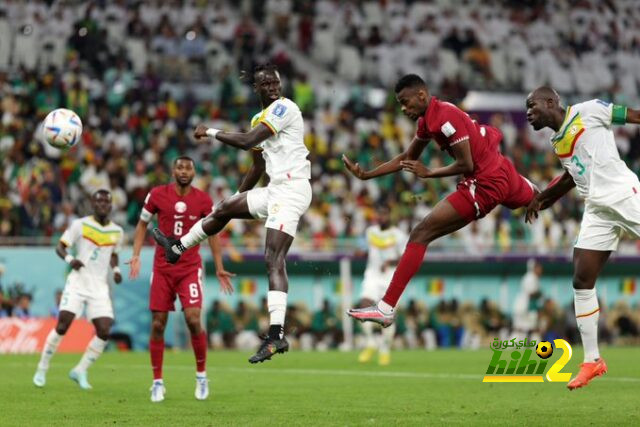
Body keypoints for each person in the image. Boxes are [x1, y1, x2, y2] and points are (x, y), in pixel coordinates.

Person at [343, 74, 537, 327]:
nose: (403, 108)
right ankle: (562, 184)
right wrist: (367, 174)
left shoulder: (444, 117)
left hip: (484, 182)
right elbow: (407, 157)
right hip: (501, 170)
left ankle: (386, 308)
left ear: (421, 95)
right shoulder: (428, 119)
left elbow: (466, 163)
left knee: (420, 234)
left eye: (405, 102)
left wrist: (429, 173)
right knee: (539, 198)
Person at [152, 63, 312, 364]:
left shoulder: (284, 108)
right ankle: (177, 247)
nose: (273, 88)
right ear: (256, 88)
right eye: (266, 84)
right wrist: (239, 198)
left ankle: (277, 335)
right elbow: (258, 166)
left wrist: (211, 131)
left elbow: (249, 140)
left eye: (275, 82)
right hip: (275, 189)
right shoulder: (258, 117)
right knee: (224, 207)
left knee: (272, 258)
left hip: (293, 189)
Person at [524, 86, 640, 390]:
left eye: (532, 106)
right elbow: (571, 176)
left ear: (551, 102)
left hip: (622, 194)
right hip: (597, 209)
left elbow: (632, 115)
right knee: (582, 278)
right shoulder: (556, 141)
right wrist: (542, 197)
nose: (528, 113)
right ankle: (593, 360)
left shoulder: (589, 110)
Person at [128, 156, 234, 403]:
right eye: (180, 167)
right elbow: (142, 224)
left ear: (194, 172)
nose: (184, 171)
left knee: (194, 319)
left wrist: (218, 267)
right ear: (172, 170)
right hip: (163, 269)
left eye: (188, 167)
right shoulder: (157, 195)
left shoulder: (203, 200)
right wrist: (135, 254)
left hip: (189, 268)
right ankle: (157, 382)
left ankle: (201, 375)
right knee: (157, 324)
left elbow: (213, 234)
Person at [33, 189, 123, 390]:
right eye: (98, 201)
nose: (102, 205)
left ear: (110, 205)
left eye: (106, 202)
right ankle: (42, 367)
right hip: (78, 283)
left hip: (99, 286)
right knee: (63, 325)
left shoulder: (117, 231)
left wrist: (115, 269)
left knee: (105, 330)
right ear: (93, 204)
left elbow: (114, 253)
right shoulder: (79, 225)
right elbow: (60, 247)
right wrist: (70, 259)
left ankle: (80, 370)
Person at [357, 206, 407, 365]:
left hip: (390, 277)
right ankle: (371, 342)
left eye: (384, 213)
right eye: (379, 213)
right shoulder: (370, 231)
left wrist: (390, 262)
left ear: (390, 215)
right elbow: (369, 250)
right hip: (372, 274)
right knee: (363, 305)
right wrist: (360, 253)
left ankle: (385, 349)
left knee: (387, 315)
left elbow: (405, 257)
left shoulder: (398, 235)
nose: (381, 216)